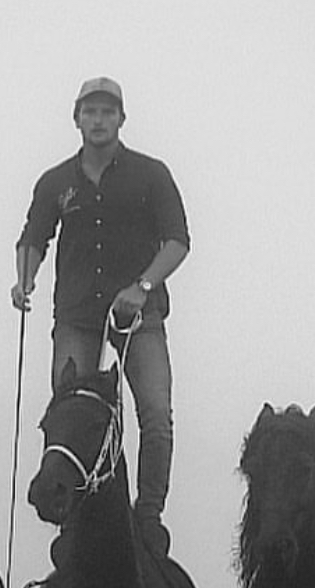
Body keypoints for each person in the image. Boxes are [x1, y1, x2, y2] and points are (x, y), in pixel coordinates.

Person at [11, 76, 189, 558]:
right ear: (77, 119)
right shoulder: (56, 182)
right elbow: (33, 237)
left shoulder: (151, 175)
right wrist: (24, 278)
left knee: (155, 413)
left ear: (121, 119)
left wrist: (143, 286)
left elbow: (177, 241)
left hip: (138, 315)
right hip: (76, 314)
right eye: (90, 111)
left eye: (108, 112)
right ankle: (73, 518)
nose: (98, 120)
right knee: (71, 415)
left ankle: (147, 513)